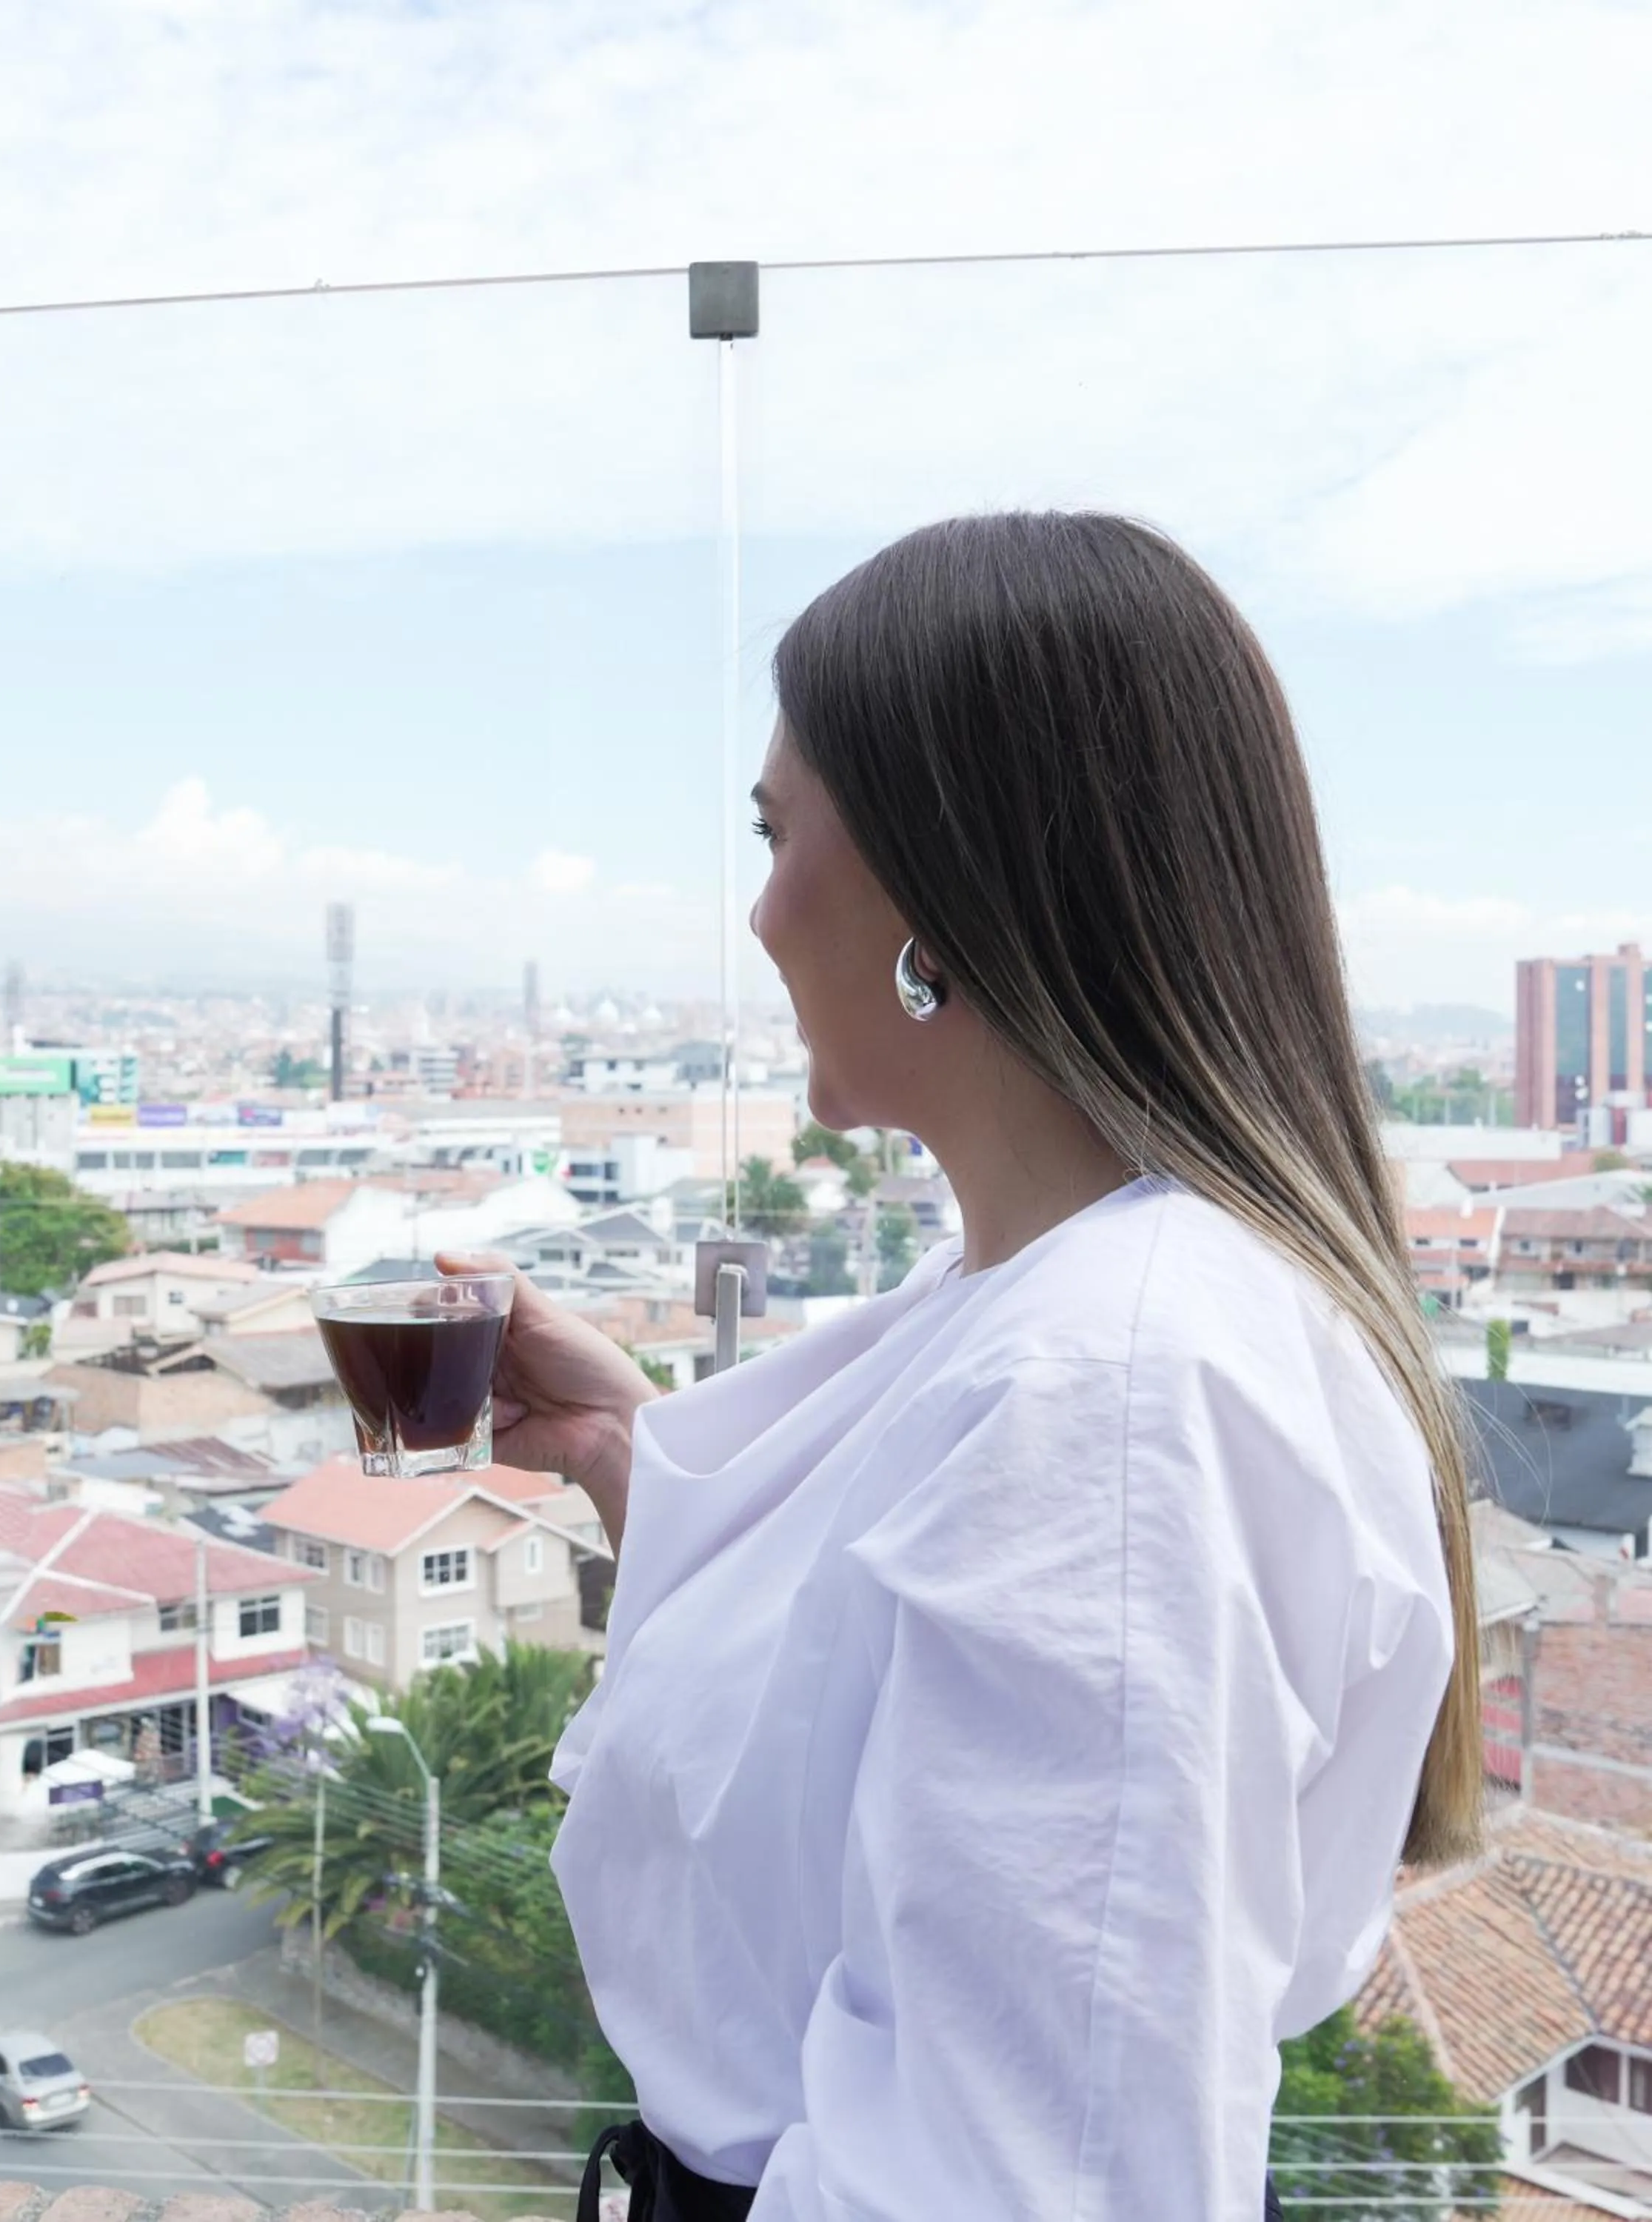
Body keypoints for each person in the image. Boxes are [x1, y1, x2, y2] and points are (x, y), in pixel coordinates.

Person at [444, 513, 1480, 2222]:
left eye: (779, 836)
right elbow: (870, 1738)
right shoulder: (1057, 1307)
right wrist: (639, 1453)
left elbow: (1021, 2177)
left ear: (951, 873)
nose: (764, 914)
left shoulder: (1117, 1389)